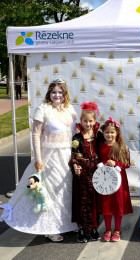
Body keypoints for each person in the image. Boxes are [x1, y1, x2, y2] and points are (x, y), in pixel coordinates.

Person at [0, 79, 78, 242]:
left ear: (65, 94)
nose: (57, 95)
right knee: (49, 191)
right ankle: (50, 228)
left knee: (65, 190)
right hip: (50, 157)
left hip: (68, 157)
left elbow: (76, 132)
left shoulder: (70, 109)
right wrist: (38, 158)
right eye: (54, 92)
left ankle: (67, 223)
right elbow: (35, 135)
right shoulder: (43, 109)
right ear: (49, 93)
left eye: (60, 92)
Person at [70, 101, 103, 243]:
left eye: (90, 121)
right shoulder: (77, 138)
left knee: (95, 200)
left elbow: (107, 148)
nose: (87, 124)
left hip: (96, 171)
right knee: (82, 200)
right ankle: (83, 229)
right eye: (85, 121)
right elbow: (73, 155)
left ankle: (94, 227)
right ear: (81, 121)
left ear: (95, 121)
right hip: (82, 172)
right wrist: (75, 165)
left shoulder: (99, 135)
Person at [98, 116, 133, 242]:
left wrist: (116, 164)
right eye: (107, 132)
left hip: (119, 181)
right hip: (105, 180)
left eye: (112, 132)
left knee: (118, 205)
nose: (109, 134)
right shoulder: (100, 146)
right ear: (103, 133)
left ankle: (117, 230)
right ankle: (108, 229)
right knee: (107, 204)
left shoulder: (122, 147)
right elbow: (98, 161)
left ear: (117, 133)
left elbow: (127, 164)